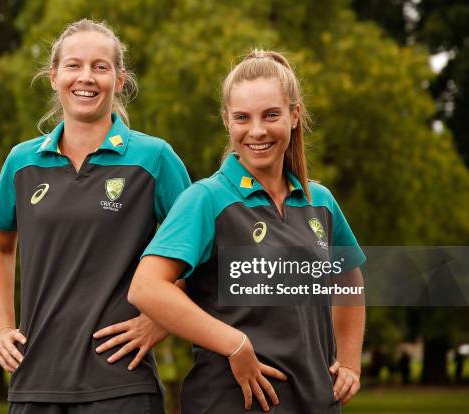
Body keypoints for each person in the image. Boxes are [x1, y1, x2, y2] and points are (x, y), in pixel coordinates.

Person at [129, 50, 366, 413]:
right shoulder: (206, 199)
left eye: (271, 115)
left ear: (294, 115)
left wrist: (349, 361)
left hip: (316, 403)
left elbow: (349, 276)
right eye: (242, 117)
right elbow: (147, 287)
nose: (257, 131)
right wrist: (234, 344)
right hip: (230, 402)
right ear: (227, 121)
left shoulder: (321, 201)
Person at [0, 18, 190, 413]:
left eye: (100, 67)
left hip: (121, 384)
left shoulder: (154, 158)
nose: (86, 77)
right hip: (34, 382)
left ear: (120, 78)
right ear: (54, 76)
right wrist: (1, 327)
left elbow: (202, 253)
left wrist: (159, 320)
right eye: (74, 65)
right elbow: (0, 246)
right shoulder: (21, 161)